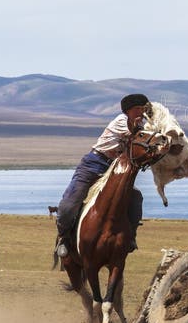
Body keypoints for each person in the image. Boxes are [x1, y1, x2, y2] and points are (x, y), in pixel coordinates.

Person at [54, 93, 153, 261]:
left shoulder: (140, 125)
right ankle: (63, 238)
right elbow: (137, 133)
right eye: (138, 110)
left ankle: (131, 237)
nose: (140, 113)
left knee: (136, 197)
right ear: (128, 111)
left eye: (143, 110)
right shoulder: (122, 121)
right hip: (94, 163)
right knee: (70, 202)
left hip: (113, 168)